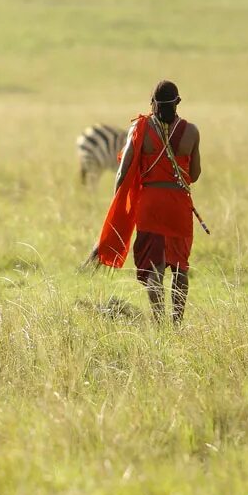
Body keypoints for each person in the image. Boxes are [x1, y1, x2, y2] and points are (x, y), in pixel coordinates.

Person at [92, 80, 201, 322]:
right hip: (179, 205)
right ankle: (176, 322)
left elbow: (122, 172)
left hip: (150, 204)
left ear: (152, 103)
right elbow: (193, 175)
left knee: (155, 266)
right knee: (180, 266)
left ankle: (160, 321)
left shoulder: (139, 129)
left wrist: (119, 204)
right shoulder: (191, 132)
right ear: (178, 103)